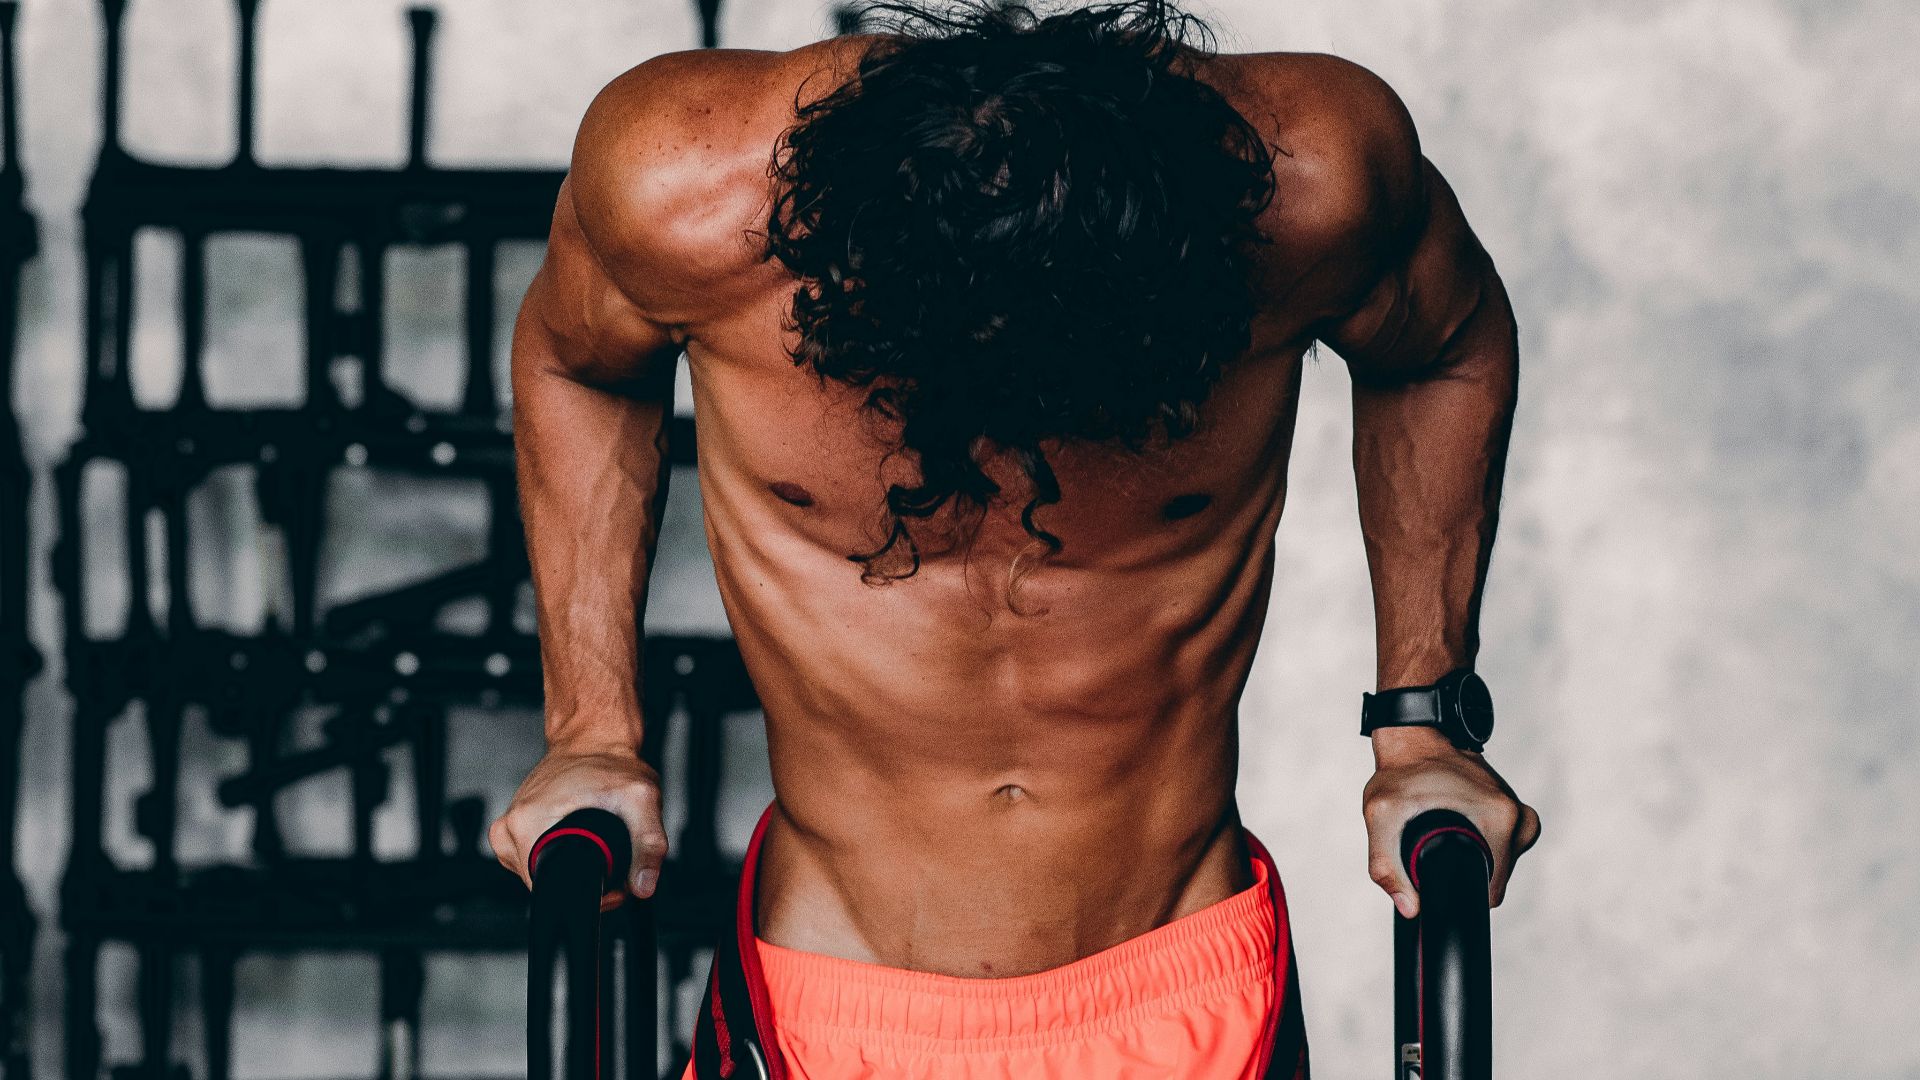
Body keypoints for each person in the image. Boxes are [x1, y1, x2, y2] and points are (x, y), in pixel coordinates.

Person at [491, 2, 1540, 1076]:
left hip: (1182, 989)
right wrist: (592, 732)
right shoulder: (683, 189)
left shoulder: (1309, 185)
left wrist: (1423, 727)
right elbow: (578, 362)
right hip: (827, 999)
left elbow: (1443, 345)